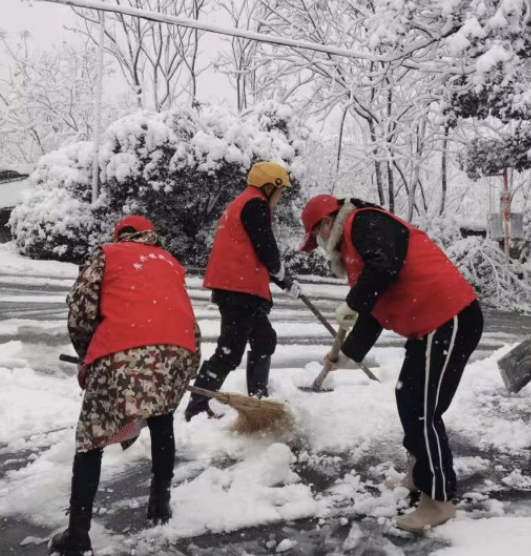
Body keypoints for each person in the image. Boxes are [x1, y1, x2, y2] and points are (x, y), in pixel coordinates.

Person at [299, 195, 482, 532]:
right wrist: (347, 352)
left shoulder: (364, 222)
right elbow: (375, 307)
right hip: (429, 325)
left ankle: (438, 499)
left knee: (423, 410)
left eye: (317, 235)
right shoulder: (356, 247)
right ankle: (418, 474)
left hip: (449, 318)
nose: (321, 242)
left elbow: (385, 268)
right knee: (408, 398)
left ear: (326, 222)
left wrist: (354, 301)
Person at [52, 215, 200, 556]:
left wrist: (89, 355)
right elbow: (187, 319)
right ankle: (159, 505)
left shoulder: (107, 253)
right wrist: (183, 367)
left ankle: (77, 535)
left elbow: (81, 311)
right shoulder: (170, 262)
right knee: (162, 417)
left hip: (122, 351)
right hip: (179, 350)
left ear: (121, 236)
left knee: (92, 437)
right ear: (151, 235)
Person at [184, 162, 301, 420]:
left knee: (264, 339)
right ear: (269, 186)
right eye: (280, 191)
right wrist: (284, 277)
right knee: (229, 352)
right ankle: (196, 408)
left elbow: (255, 250)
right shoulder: (255, 204)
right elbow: (265, 246)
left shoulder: (244, 203)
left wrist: (284, 282)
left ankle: (257, 400)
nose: (280, 197)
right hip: (239, 290)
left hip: (240, 289)